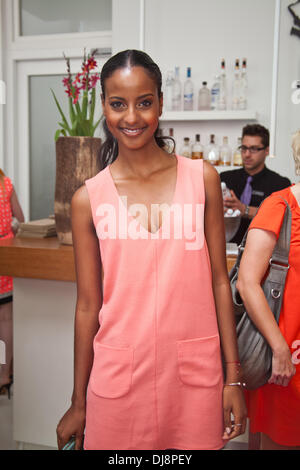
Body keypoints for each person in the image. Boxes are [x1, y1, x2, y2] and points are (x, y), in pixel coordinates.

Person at [56, 49, 247, 451]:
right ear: (104, 108)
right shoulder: (87, 200)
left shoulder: (202, 179)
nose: (132, 117)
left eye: (144, 102)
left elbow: (218, 282)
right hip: (118, 378)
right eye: (117, 104)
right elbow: (88, 306)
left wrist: (233, 377)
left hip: (194, 378)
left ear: (160, 102)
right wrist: (78, 401)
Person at [236, 129, 300, 450]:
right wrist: (279, 349)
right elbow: (247, 284)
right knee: (282, 438)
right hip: (285, 355)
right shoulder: (280, 206)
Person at [220, 124, 291, 245]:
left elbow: (281, 219)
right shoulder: (225, 178)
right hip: (227, 247)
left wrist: (245, 210)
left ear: (267, 150)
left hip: (263, 249)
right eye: (244, 148)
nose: (247, 154)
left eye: (253, 149)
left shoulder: (280, 184)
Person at [0, 169, 24, 398]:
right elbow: (21, 218)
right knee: (5, 319)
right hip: (5, 253)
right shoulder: (5, 184)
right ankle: (4, 376)